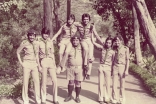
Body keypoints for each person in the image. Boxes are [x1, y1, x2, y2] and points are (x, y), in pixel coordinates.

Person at [17, 29, 41, 104]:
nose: (31, 37)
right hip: (26, 63)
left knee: (36, 81)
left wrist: (39, 65)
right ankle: (25, 100)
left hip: (34, 64)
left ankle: (38, 100)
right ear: (28, 36)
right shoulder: (24, 43)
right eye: (30, 35)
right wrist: (21, 63)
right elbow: (17, 52)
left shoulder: (37, 43)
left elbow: (37, 55)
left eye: (33, 36)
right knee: (25, 82)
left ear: (35, 36)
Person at [76, 13, 103, 80]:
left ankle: (88, 73)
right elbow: (72, 25)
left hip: (89, 41)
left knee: (90, 58)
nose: (85, 21)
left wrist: (102, 42)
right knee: (85, 49)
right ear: (82, 20)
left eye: (87, 19)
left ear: (89, 20)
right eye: (84, 19)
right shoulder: (79, 25)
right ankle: (85, 65)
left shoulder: (91, 26)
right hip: (83, 40)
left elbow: (96, 35)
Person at [58, 34, 84, 103]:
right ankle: (69, 96)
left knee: (78, 82)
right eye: (74, 40)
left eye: (77, 40)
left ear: (79, 41)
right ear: (72, 41)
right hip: (70, 68)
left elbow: (86, 56)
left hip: (79, 68)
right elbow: (65, 55)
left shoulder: (81, 47)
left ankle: (77, 97)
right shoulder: (69, 48)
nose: (75, 42)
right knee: (71, 82)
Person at [38, 27, 59, 104]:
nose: (46, 35)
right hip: (43, 61)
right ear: (42, 34)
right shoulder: (38, 42)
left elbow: (52, 53)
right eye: (44, 34)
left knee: (55, 80)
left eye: (47, 34)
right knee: (44, 81)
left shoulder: (50, 42)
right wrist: (39, 65)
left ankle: (55, 99)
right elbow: (37, 54)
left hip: (50, 61)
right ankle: (43, 99)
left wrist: (55, 64)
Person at [95, 36, 115, 104]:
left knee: (107, 84)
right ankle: (100, 98)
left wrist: (112, 71)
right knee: (100, 83)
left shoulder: (113, 52)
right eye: (107, 42)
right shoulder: (102, 48)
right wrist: (92, 33)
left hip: (108, 68)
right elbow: (94, 43)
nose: (108, 44)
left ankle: (107, 98)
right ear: (105, 42)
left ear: (111, 44)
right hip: (101, 67)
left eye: (109, 43)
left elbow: (113, 62)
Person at [112, 35, 129, 104]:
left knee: (122, 85)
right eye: (116, 41)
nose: (117, 42)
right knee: (114, 84)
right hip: (115, 67)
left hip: (122, 67)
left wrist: (126, 70)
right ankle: (114, 99)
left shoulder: (126, 48)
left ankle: (121, 99)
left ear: (121, 41)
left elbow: (127, 60)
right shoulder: (113, 48)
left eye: (118, 40)